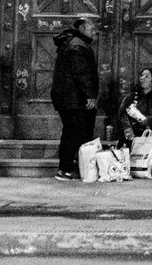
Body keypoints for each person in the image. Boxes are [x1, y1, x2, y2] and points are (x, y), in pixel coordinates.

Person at [50, 18, 100, 181]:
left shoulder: (71, 42)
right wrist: (90, 95)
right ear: (81, 28)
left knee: (72, 131)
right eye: (92, 29)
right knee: (74, 132)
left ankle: (71, 167)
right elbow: (82, 74)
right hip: (74, 99)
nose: (95, 32)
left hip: (67, 98)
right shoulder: (78, 45)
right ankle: (65, 169)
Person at [119, 66, 152, 178]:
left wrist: (147, 121)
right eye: (142, 76)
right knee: (125, 137)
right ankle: (123, 168)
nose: (143, 78)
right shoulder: (132, 96)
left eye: (147, 76)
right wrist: (127, 127)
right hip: (134, 128)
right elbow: (122, 113)